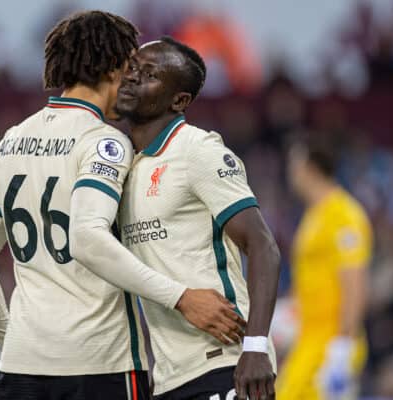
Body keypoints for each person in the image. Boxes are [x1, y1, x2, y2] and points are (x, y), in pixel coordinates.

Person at [0, 11, 244, 400]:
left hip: (20, 370)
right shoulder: (104, 143)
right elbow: (87, 238)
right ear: (112, 67)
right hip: (99, 365)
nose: (131, 79)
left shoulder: (9, 142)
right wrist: (180, 296)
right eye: (129, 67)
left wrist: (13, 342)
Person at [115, 36, 280, 400]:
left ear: (180, 100)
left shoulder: (198, 151)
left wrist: (254, 348)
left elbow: (263, 246)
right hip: (169, 374)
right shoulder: (122, 165)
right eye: (132, 68)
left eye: (150, 73)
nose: (132, 77)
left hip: (225, 363)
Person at [276, 139, 373, 400]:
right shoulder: (313, 216)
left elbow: (355, 282)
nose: (290, 172)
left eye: (294, 164)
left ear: (310, 167)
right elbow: (308, 279)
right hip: (308, 339)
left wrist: (343, 346)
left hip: (331, 342)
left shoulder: (344, 214)